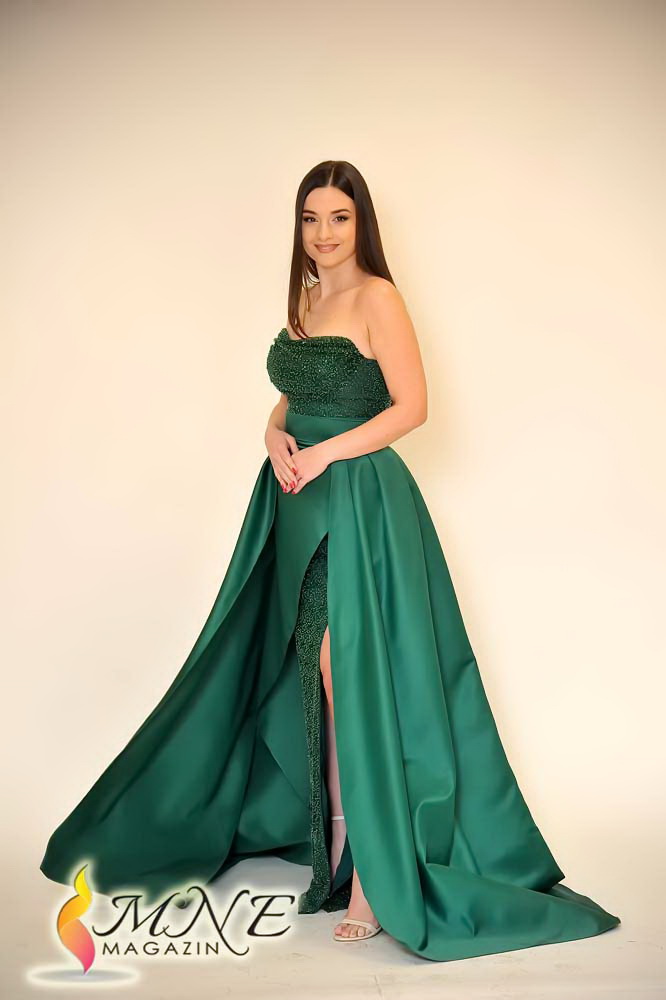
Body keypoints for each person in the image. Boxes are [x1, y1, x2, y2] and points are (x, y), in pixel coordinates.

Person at [40, 160, 620, 961]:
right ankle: (340, 845)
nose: (323, 233)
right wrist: (273, 435)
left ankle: (373, 876)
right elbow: (293, 397)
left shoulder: (379, 297)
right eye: (311, 218)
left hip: (357, 503)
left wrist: (323, 455)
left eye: (338, 218)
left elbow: (413, 407)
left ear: (361, 223)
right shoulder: (309, 301)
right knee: (312, 672)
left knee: (347, 672)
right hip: (294, 502)